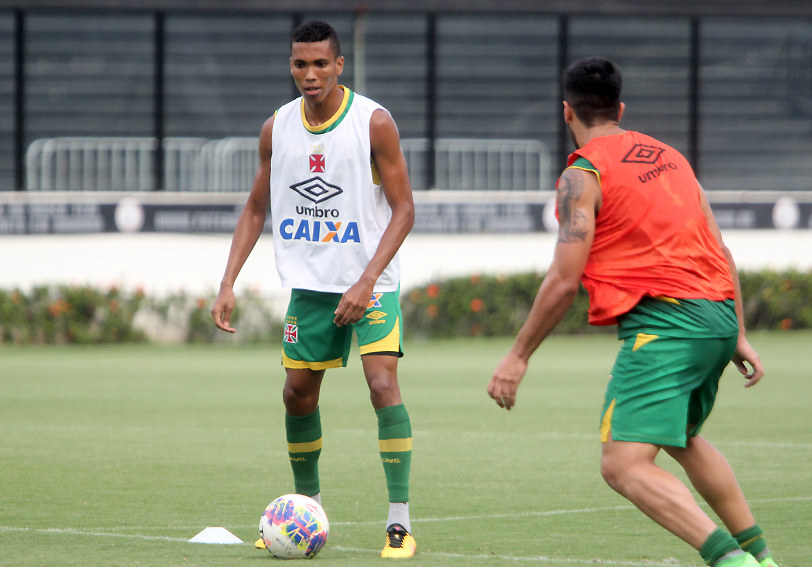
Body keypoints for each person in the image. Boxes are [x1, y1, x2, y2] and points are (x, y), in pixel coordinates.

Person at [487, 57, 779, 567]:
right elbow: (721, 249)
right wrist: (737, 332)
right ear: (620, 109)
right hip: (717, 316)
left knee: (622, 464)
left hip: (668, 325)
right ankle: (763, 557)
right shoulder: (671, 157)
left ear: (566, 112)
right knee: (681, 438)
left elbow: (564, 279)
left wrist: (517, 355)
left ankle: (735, 563)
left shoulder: (583, 175)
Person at [211, 20, 416, 559]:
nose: (310, 74)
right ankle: (308, 513)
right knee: (296, 395)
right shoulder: (276, 128)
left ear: (339, 65)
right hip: (311, 288)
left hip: (371, 284)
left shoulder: (373, 122)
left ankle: (399, 523)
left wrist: (366, 280)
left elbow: (405, 209)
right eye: (300, 64)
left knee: (381, 385)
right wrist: (227, 281)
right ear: (291, 66)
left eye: (321, 63)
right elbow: (255, 207)